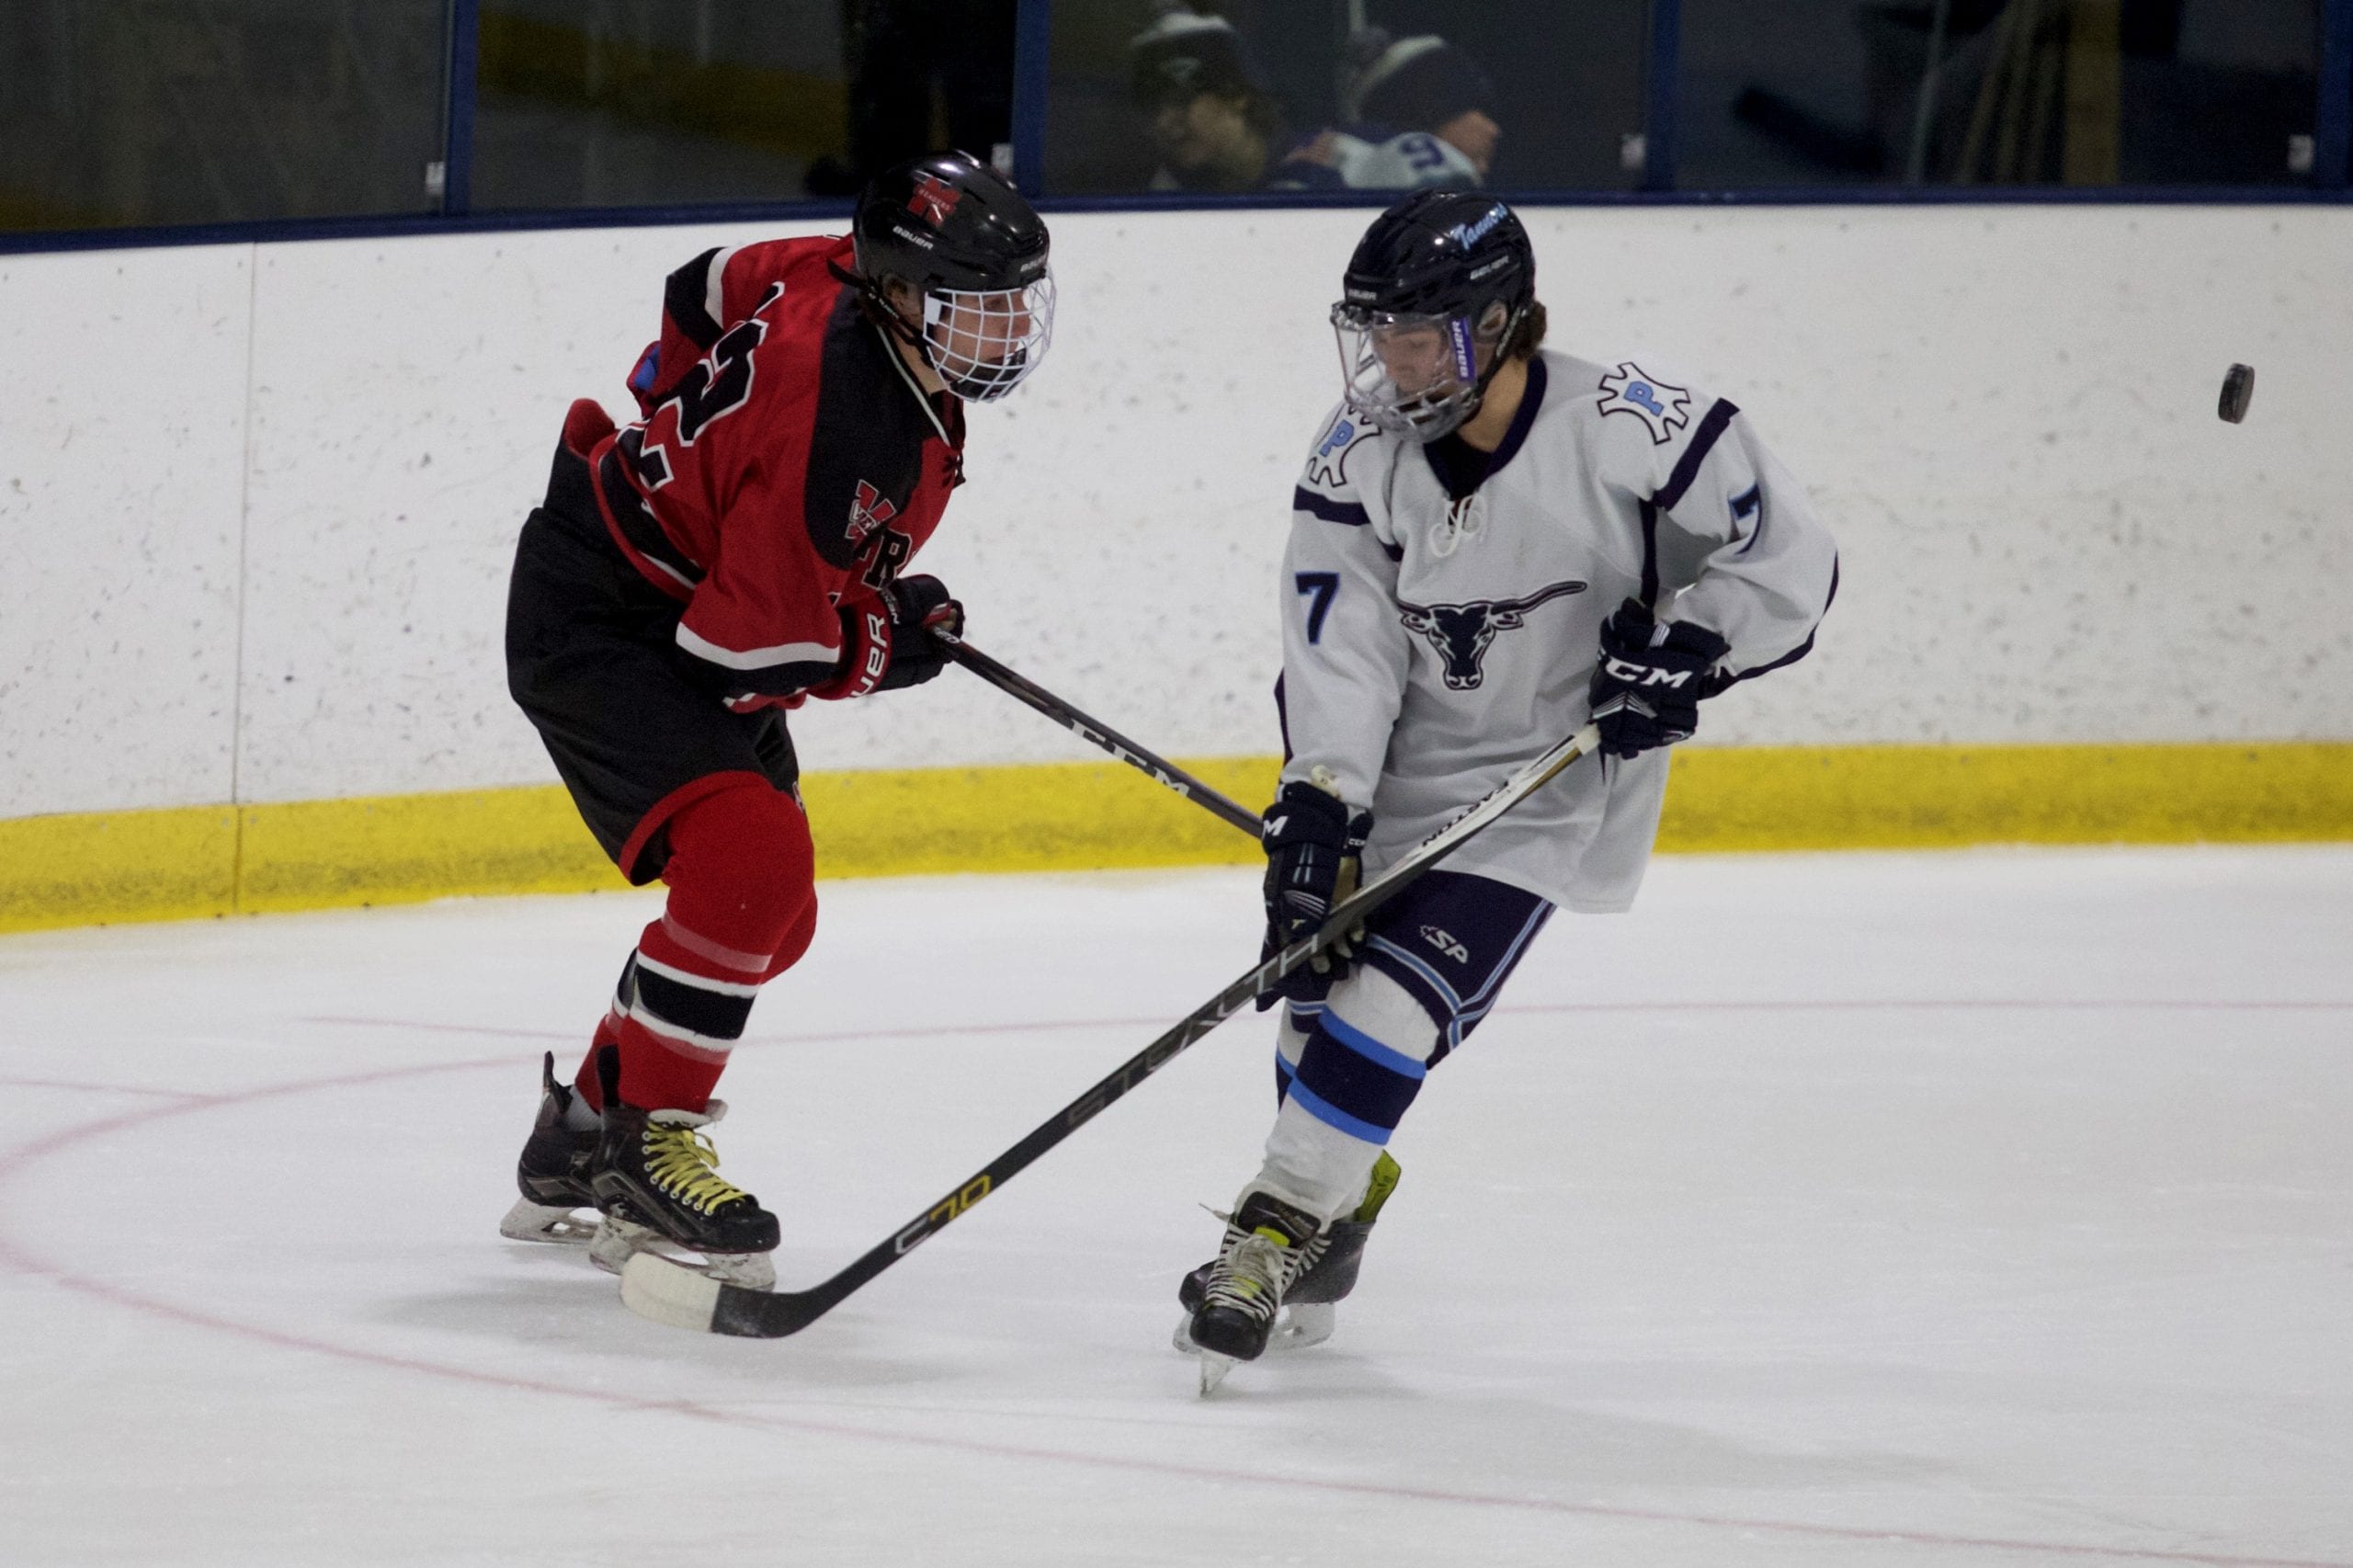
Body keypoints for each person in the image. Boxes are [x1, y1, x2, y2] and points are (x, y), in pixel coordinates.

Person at [1179, 192, 1837, 1386]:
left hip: (1544, 782)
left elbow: (1790, 560)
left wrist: (1692, 648)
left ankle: (1265, 1234)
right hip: (1398, 769)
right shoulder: (1359, 449)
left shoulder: (1637, 424)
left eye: (1421, 334)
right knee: (1314, 1016)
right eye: (1378, 333)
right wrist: (1322, 800)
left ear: (1501, 324)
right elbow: (1341, 645)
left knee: (1394, 1008)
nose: (1392, 360)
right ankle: (1344, 1187)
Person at [497, 150, 1054, 1289]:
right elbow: (742, 653)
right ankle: (647, 1139)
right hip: (605, 616)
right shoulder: (843, 418)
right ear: (900, 291)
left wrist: (677, 407)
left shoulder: (833, 270)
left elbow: (706, 284)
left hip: (676, 599)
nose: (1003, 331)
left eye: (1013, 304)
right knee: (750, 863)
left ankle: (590, 1123)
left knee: (772, 914)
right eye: (975, 304)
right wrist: (885, 638)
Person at [1128, 6, 1342, 193]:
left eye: (1180, 101)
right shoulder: (1167, 190)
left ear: (1238, 94)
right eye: (1153, 108)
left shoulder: (1343, 161)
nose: (1162, 122)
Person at [1315, 28, 1503, 190]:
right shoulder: (1417, 151)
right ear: (1431, 105)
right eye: (1482, 115)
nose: (1494, 130)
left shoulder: (1343, 157)